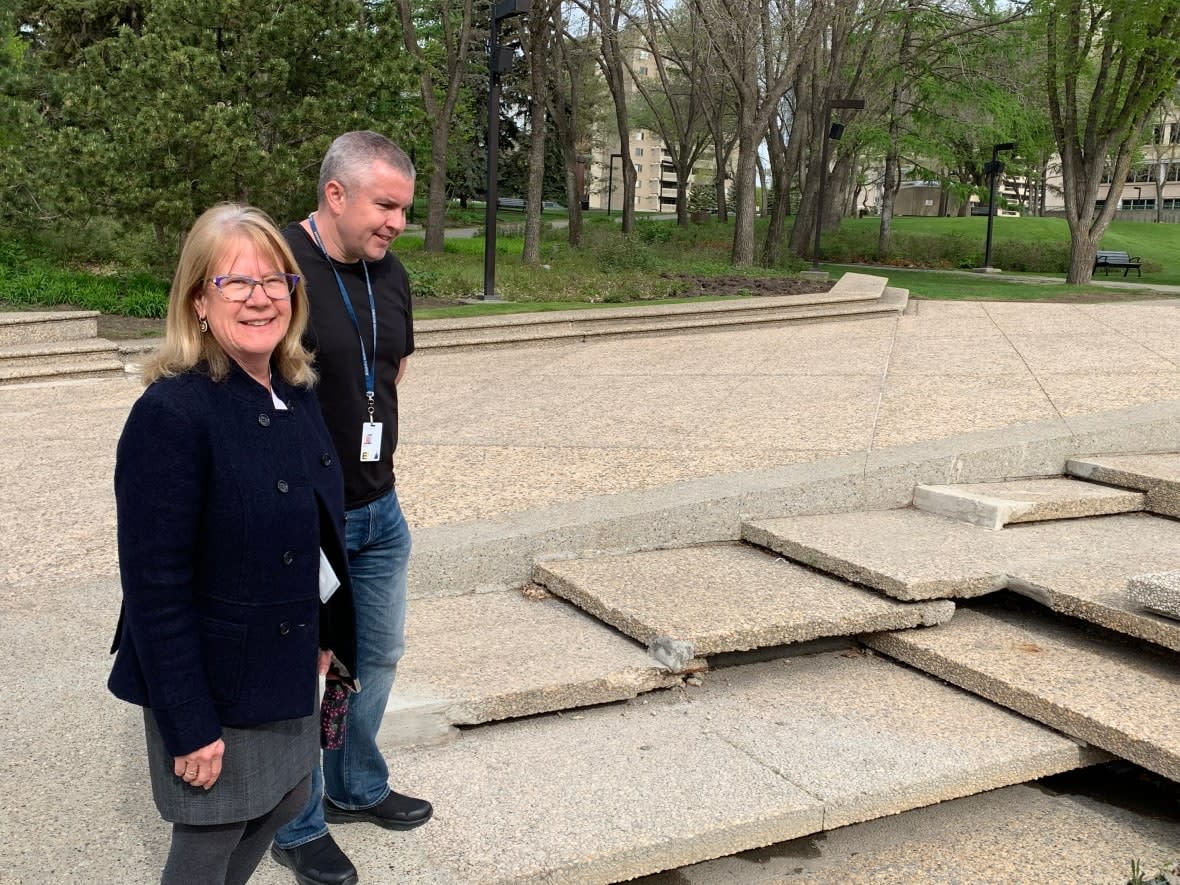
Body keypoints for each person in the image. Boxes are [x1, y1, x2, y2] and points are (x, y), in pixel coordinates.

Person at [108, 203, 357, 885]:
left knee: (289, 794)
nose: (261, 296)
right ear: (197, 301)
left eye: (276, 279)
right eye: (236, 283)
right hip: (215, 671)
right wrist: (189, 722)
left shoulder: (294, 389)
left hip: (285, 649)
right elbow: (155, 588)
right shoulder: (171, 414)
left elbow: (318, 526)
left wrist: (326, 626)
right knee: (211, 830)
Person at [270, 132, 429, 885]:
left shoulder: (388, 272)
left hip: (379, 508)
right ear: (336, 195)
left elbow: (391, 369)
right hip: (306, 517)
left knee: (376, 655)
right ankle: (296, 822)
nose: (399, 221)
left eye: (404, 207)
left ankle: (355, 784)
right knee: (305, 669)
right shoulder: (276, 270)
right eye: (386, 205)